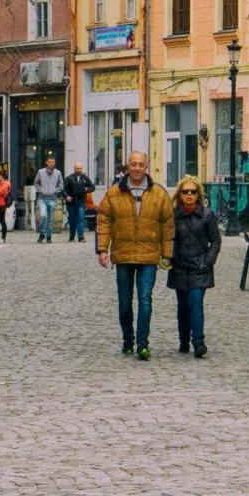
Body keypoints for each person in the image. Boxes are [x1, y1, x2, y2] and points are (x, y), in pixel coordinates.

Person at [96, 151, 173, 360]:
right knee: (124, 302)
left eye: (141, 164)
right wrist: (103, 249)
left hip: (149, 255)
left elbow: (167, 226)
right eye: (133, 164)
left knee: (145, 299)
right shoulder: (114, 193)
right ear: (127, 167)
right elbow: (104, 220)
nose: (137, 168)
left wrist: (167, 254)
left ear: (146, 167)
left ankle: (143, 343)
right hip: (123, 254)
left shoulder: (159, 194)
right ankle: (128, 339)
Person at [167, 176, 222, 358]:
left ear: (198, 194)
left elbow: (215, 241)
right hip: (180, 266)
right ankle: (183, 340)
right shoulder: (173, 215)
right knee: (183, 306)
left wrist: (208, 261)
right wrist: (166, 257)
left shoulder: (207, 215)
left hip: (200, 267)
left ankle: (198, 341)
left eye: (192, 191)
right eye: (185, 192)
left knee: (196, 303)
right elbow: (166, 238)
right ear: (179, 195)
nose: (189, 195)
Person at [34, 156, 63, 243]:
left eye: (53, 162)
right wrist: (40, 190)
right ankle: (42, 233)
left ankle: (49, 236)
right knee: (43, 216)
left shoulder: (58, 173)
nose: (51, 164)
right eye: (50, 162)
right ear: (46, 162)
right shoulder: (40, 172)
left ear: (55, 163)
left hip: (53, 199)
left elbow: (61, 185)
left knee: (50, 219)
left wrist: (55, 191)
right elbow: (36, 182)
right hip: (42, 198)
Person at [64, 163, 94, 242]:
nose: (79, 170)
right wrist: (66, 196)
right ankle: (72, 236)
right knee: (72, 219)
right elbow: (63, 189)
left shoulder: (85, 178)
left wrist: (87, 189)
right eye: (77, 168)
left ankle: (81, 237)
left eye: (80, 168)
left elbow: (92, 187)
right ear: (74, 169)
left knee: (80, 218)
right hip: (71, 202)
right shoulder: (69, 178)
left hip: (81, 201)